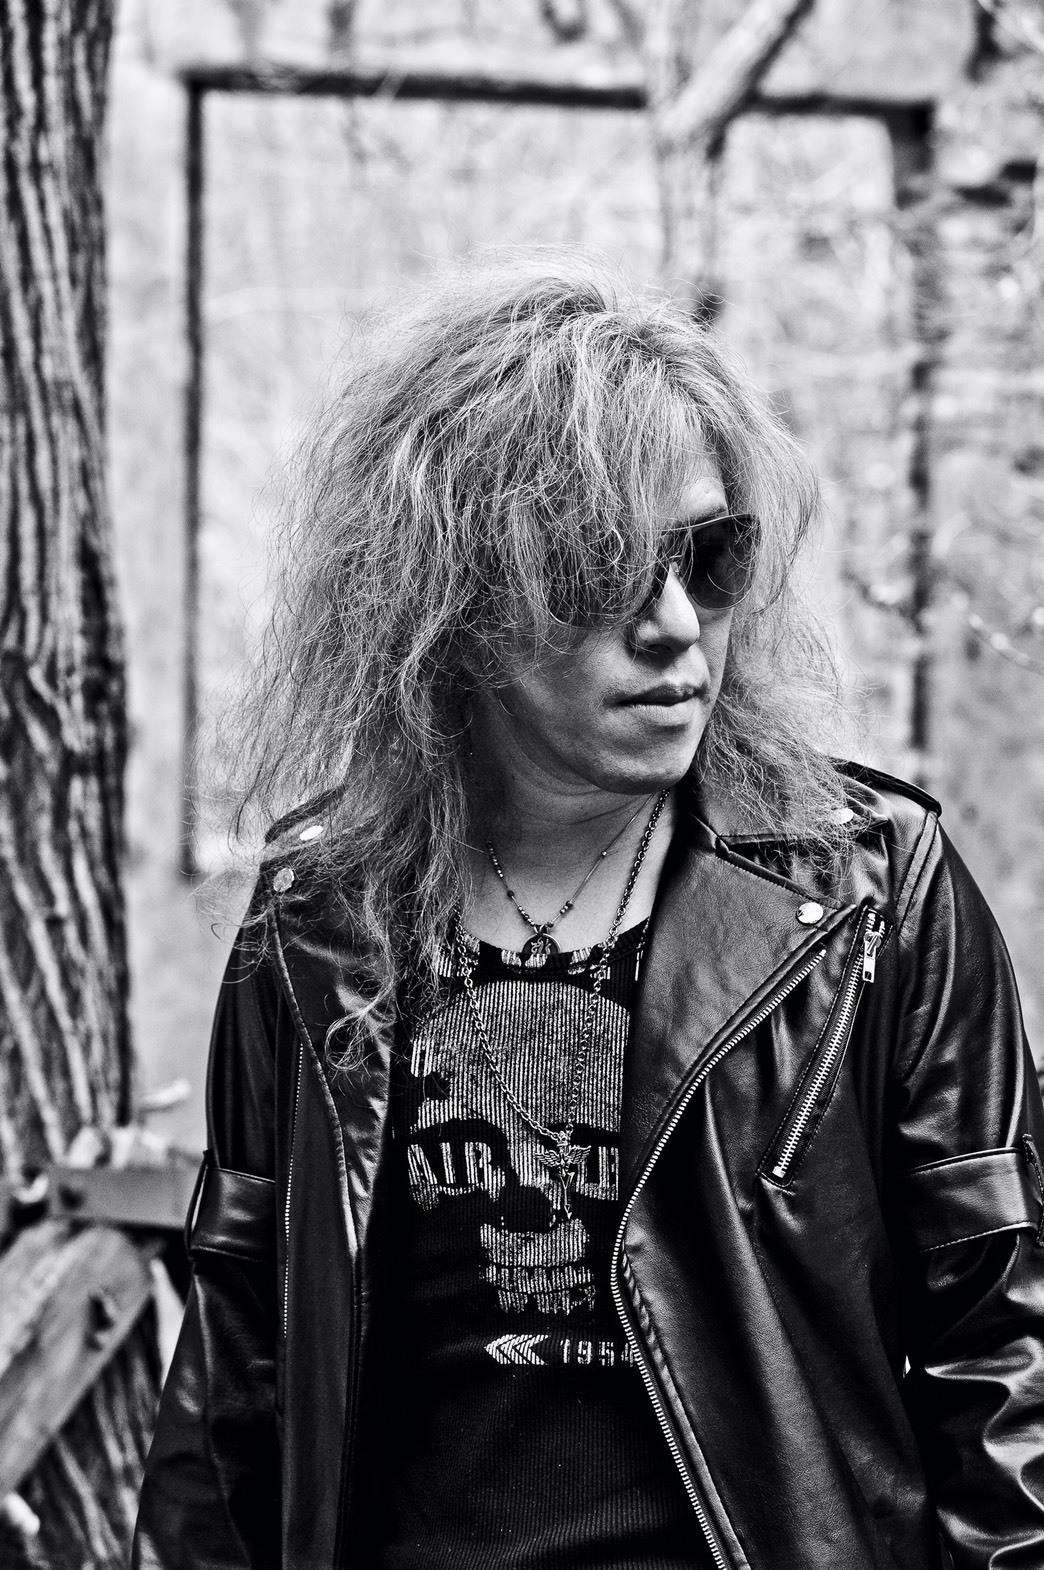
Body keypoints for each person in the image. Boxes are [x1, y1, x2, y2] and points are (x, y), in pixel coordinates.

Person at [133, 254, 1044, 1570]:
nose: (674, 625)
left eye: (709, 556)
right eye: (600, 567)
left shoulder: (871, 895)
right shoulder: (324, 919)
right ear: (449, 598)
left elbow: (1007, 1355)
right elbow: (237, 1386)